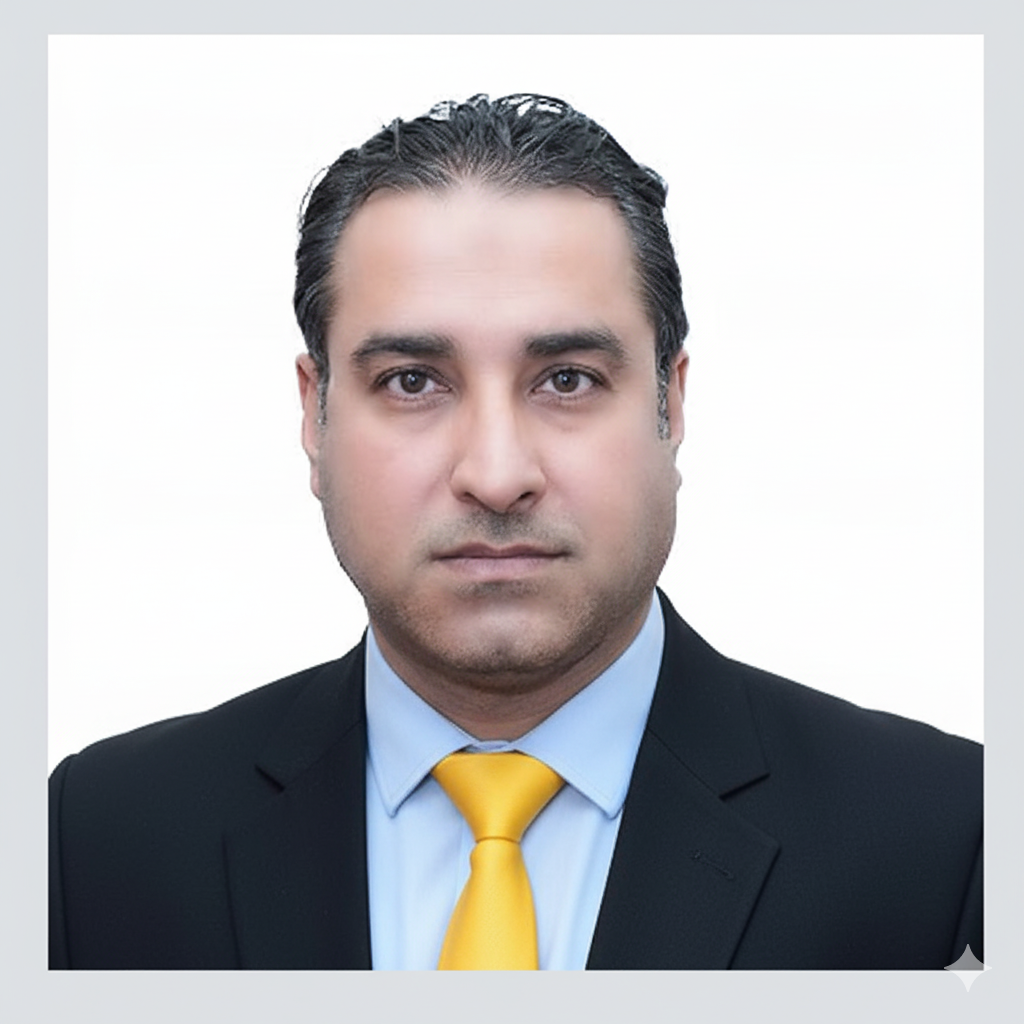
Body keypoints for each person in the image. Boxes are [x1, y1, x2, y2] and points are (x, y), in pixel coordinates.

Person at [48, 93, 982, 971]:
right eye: (412, 381)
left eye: (567, 379)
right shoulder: (93, 842)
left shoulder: (955, 841)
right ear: (313, 416)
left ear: (672, 405)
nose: (496, 475)